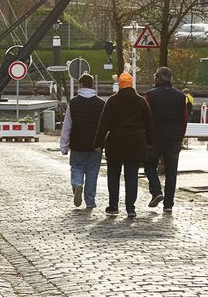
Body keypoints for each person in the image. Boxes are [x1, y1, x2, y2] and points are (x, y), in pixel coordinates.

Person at [94, 71, 153, 217]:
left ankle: (113, 206)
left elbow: (103, 124)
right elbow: (149, 124)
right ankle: (130, 208)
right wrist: (149, 142)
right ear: (131, 84)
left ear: (120, 85)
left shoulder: (112, 101)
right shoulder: (141, 102)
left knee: (113, 176)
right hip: (135, 143)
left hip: (116, 143)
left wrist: (98, 143)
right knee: (132, 176)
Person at [143, 66, 188, 211]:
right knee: (171, 171)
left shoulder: (150, 96)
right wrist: (180, 136)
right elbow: (184, 119)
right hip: (174, 138)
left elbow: (146, 118)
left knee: (149, 166)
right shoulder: (181, 97)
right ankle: (169, 204)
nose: (154, 77)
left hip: (155, 137)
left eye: (155, 75)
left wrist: (147, 137)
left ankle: (156, 191)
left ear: (159, 78)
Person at [58, 73, 104, 208]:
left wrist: (64, 146)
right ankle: (90, 201)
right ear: (92, 85)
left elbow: (67, 125)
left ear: (81, 85)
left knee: (77, 167)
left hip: (78, 143)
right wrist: (102, 144)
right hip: (95, 145)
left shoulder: (74, 103)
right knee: (92, 172)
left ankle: (77, 184)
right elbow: (104, 126)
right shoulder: (101, 103)